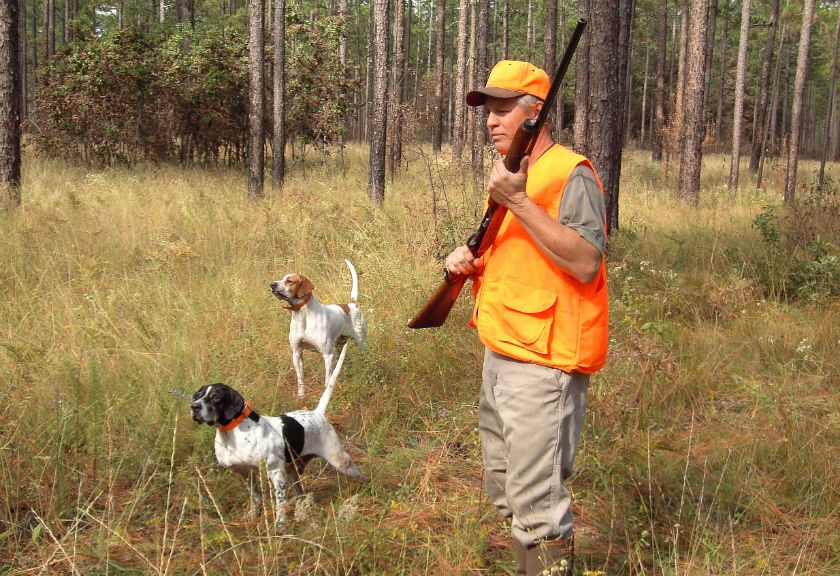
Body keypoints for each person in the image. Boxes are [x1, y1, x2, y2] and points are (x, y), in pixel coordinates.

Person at [444, 60, 609, 576]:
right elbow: (523, 251)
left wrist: (517, 201)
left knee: (536, 501)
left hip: (545, 360)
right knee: (503, 482)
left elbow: (584, 260)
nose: (491, 122)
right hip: (503, 347)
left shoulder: (569, 173)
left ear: (535, 116)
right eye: (486, 113)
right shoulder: (516, 175)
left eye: (502, 111)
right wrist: (468, 258)